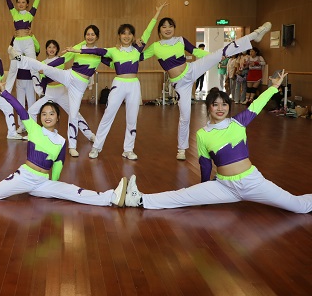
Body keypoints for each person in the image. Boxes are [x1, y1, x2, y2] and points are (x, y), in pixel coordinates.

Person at [124, 70, 312, 214]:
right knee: (182, 196)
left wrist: (273, 87)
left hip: (251, 182)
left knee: (299, 206)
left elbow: (257, 104)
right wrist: (204, 189)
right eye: (215, 104)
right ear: (208, 107)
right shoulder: (202, 134)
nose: (220, 108)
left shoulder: (238, 122)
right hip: (224, 186)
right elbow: (205, 164)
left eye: (224, 104)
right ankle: (139, 199)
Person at [0, 82, 128, 207]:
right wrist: (5, 93)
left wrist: (54, 186)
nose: (47, 117)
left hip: (43, 181)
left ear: (58, 117)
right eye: (44, 114)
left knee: (72, 192)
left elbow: (58, 166)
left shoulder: (62, 142)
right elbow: (20, 109)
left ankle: (111, 196)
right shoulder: (34, 128)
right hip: (25, 177)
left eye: (51, 114)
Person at [142, 20, 271, 160]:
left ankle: (255, 35)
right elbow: (138, 57)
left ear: (174, 28)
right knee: (185, 116)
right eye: (164, 27)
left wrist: (213, 57)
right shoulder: (155, 47)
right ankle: (181, 149)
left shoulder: (180, 40)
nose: (168, 29)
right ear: (159, 30)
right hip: (180, 84)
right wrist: (138, 43)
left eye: (170, 26)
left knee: (220, 52)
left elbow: (196, 51)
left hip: (191, 69)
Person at [81, 2, 168, 159]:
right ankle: (96, 147)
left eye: (129, 34)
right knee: (108, 115)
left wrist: (157, 13)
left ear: (133, 36)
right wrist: (76, 50)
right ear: (119, 35)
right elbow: (97, 51)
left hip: (134, 85)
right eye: (123, 33)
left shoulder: (137, 49)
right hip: (119, 84)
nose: (126, 36)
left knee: (132, 118)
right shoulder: (113, 51)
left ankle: (128, 149)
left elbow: (148, 31)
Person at [9, 25, 103, 157]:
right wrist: (45, 68)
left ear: (97, 37)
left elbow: (111, 57)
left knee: (74, 115)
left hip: (68, 90)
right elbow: (60, 61)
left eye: (93, 34)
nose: (90, 36)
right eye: (88, 34)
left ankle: (85, 138)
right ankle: (19, 58)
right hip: (60, 83)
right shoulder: (75, 49)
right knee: (33, 108)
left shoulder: (99, 52)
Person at [27, 39, 95, 147]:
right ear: (46, 49)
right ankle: (34, 134)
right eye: (49, 47)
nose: (51, 49)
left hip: (62, 92)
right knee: (31, 111)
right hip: (49, 93)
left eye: (54, 47)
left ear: (57, 49)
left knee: (75, 114)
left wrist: (85, 41)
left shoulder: (60, 60)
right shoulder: (42, 63)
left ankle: (90, 135)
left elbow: (75, 48)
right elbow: (41, 79)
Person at [0, 0, 52, 94]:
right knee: (13, 66)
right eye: (19, 2)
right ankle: (7, 91)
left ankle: (39, 90)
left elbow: (37, 0)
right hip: (17, 42)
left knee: (33, 65)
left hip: (28, 42)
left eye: (23, 2)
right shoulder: (14, 13)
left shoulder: (30, 14)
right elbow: (8, 2)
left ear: (27, 4)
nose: (21, 4)